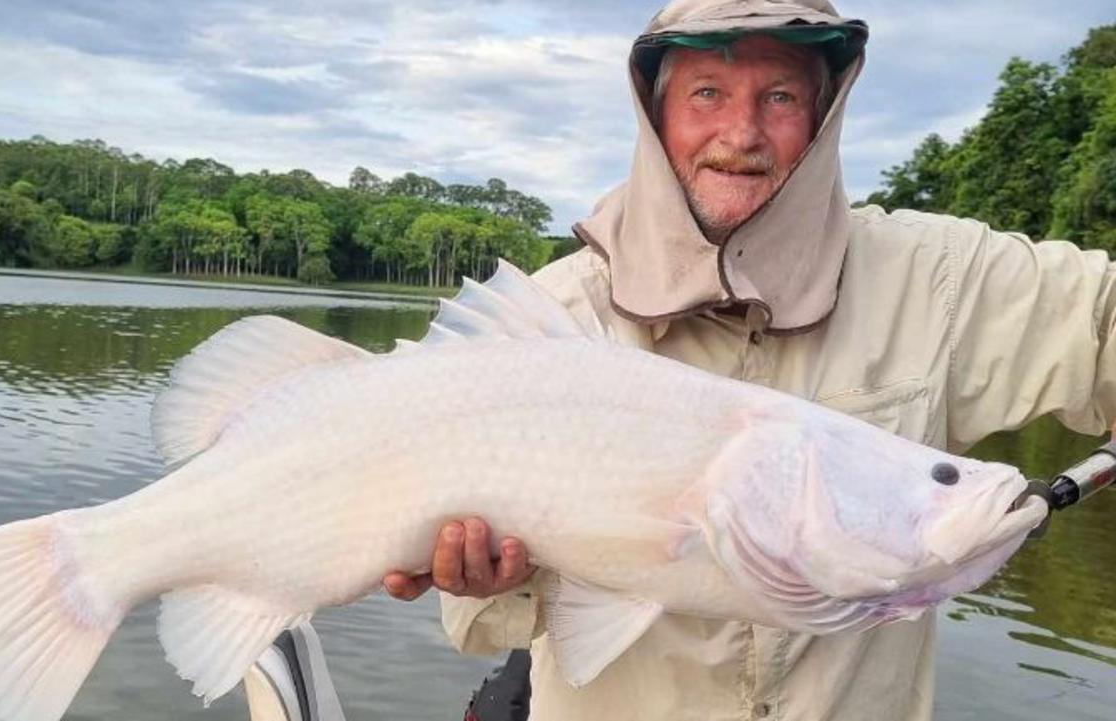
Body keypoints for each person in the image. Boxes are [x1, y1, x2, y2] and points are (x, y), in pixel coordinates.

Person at [383, 1, 1116, 719]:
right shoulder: (553, 321)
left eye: (781, 96)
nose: (742, 133)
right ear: (655, 114)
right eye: (706, 92)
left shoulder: (945, 279)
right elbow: (480, 630)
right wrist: (494, 578)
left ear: (823, 116)